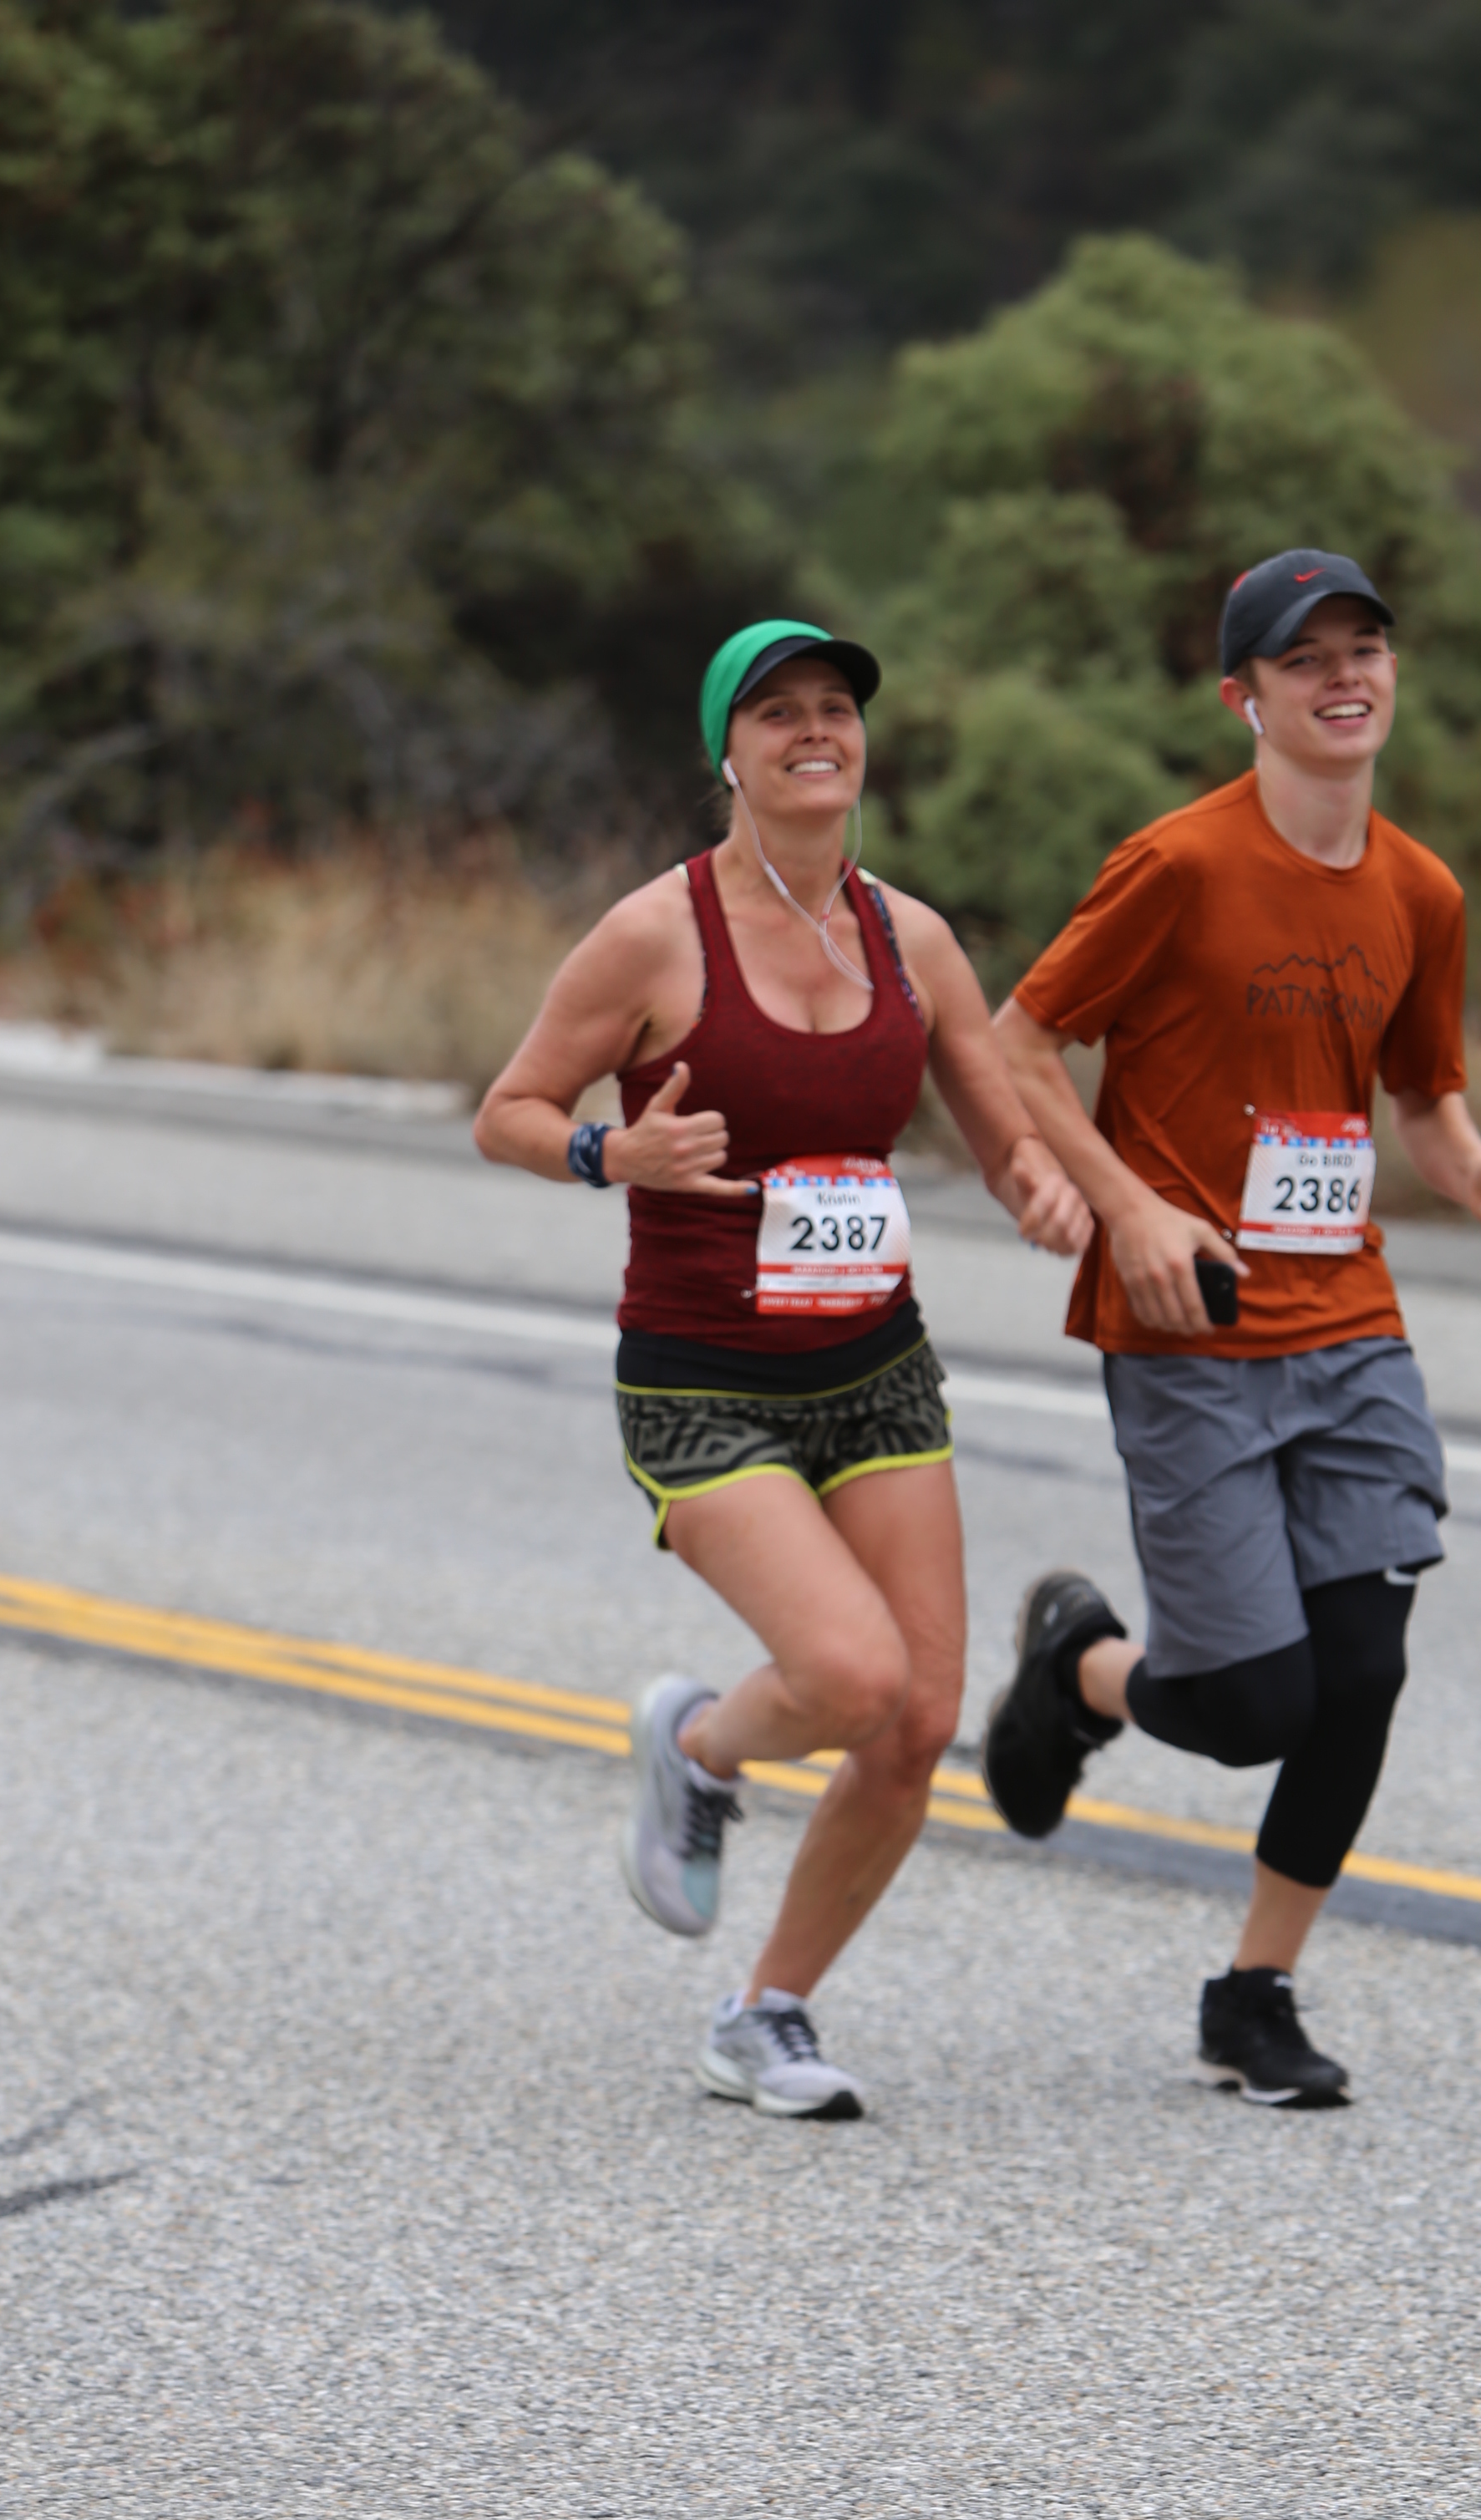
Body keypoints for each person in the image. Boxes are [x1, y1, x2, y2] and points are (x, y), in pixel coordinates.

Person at [474, 619, 1089, 2120]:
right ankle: (698, 1745)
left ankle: (766, 2012)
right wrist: (610, 1152)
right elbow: (509, 1108)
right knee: (850, 1675)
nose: (816, 730)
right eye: (778, 714)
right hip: (704, 1378)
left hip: (874, 1366)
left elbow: (998, 1118)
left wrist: (1038, 1185)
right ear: (728, 756)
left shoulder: (911, 939)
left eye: (836, 708)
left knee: (918, 1720)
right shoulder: (655, 934)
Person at [981, 549, 1481, 2108]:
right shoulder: (1175, 865)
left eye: (1365, 647)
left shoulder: (1421, 891)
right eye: (1306, 659)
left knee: (1363, 1668)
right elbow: (1021, 1043)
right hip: (1190, 1323)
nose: (1344, 677)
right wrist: (1129, 1210)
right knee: (1251, 1709)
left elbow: (1422, 1097)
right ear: (1246, 696)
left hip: (1351, 1321)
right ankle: (1079, 1671)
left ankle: (1255, 1993)